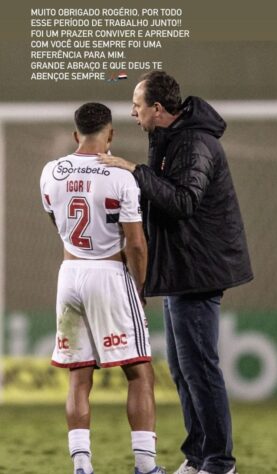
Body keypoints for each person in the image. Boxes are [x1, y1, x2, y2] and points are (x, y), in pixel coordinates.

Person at [98, 71, 254, 474]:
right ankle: (198, 455)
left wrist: (136, 172)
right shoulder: (172, 140)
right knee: (184, 371)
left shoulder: (195, 143)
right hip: (183, 269)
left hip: (199, 272)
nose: (133, 112)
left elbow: (183, 201)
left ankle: (219, 462)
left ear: (158, 108)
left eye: (137, 104)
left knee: (200, 368)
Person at [40, 102, 166, 474]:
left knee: (79, 377)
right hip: (110, 274)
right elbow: (136, 244)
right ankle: (145, 466)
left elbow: (57, 222)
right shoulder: (120, 176)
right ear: (110, 134)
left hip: (70, 274)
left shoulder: (51, 172)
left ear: (76, 135)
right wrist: (139, 288)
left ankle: (82, 466)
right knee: (139, 371)